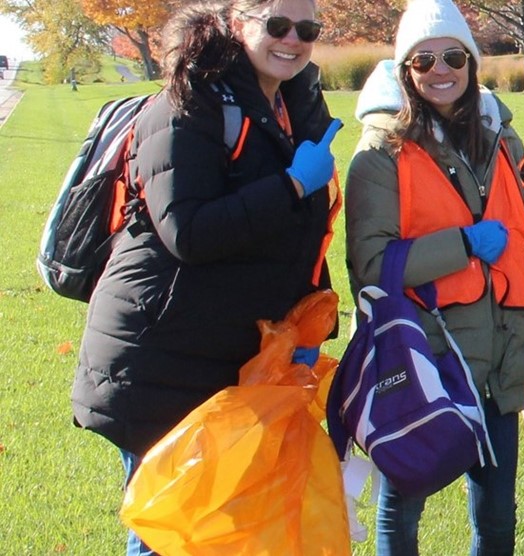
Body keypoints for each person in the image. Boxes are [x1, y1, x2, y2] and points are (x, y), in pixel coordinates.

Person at [71, 1, 338, 553]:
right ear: (238, 22)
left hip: (231, 354)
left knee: (224, 529)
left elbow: (298, 233)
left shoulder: (295, 104)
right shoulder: (186, 103)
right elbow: (187, 231)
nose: (293, 39)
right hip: (163, 356)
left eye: (307, 29)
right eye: (278, 25)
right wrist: (289, 186)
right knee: (172, 527)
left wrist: (306, 327)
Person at [344, 0, 524, 552]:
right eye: (423, 60)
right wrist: (461, 245)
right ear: (405, 71)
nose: (440, 71)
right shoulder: (380, 151)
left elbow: (523, 224)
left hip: (502, 356)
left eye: (453, 57)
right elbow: (370, 264)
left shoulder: (501, 137)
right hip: (425, 359)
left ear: (472, 62)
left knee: (498, 519)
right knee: (402, 508)